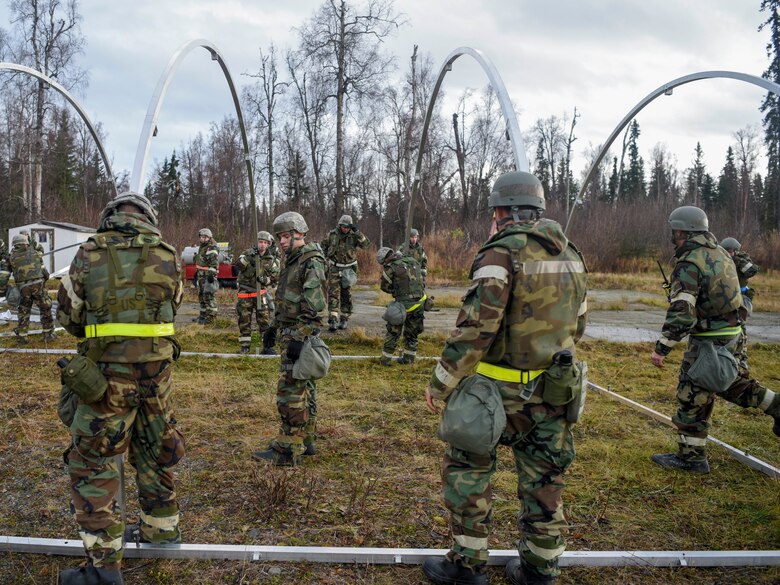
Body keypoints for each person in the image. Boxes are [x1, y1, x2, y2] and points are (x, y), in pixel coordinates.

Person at [422, 171, 588, 585]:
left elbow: (477, 329)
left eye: (494, 211)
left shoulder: (500, 253)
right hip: (553, 390)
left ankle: (467, 566)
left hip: (493, 393)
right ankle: (540, 569)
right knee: (545, 481)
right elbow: (579, 324)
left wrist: (441, 382)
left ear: (504, 211)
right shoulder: (572, 254)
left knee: (468, 472)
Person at [56, 191, 185, 585]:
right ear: (147, 217)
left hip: (106, 382)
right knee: (156, 450)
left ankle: (103, 570)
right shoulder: (168, 255)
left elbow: (68, 316)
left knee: (92, 464)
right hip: (156, 378)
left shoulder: (88, 254)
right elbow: (174, 307)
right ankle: (160, 533)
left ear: (109, 215)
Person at [650, 206, 780, 474]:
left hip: (709, 340)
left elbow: (682, 312)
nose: (673, 237)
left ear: (684, 232)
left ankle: (691, 458)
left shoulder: (690, 263)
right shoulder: (719, 252)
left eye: (675, 231)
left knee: (691, 395)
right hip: (732, 335)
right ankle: (777, 405)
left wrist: (662, 348)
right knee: (729, 384)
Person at [253, 211, 327, 466]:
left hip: (299, 337)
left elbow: (316, 309)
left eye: (286, 236)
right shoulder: (292, 261)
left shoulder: (310, 262)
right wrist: (273, 328)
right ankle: (307, 441)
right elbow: (288, 301)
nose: (282, 241)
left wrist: (298, 338)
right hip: (288, 332)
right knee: (306, 388)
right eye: (280, 237)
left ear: (300, 234)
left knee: (290, 392)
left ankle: (286, 449)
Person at [376, 246, 426, 366]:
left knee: (393, 333)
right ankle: (409, 359)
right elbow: (422, 278)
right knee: (412, 333)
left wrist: (395, 291)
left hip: (403, 306)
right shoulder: (412, 260)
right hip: (419, 302)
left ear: (385, 260)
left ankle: (385, 360)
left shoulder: (390, 268)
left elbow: (384, 287)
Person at [235, 230, 281, 354]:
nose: (262, 245)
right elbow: (238, 266)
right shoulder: (247, 254)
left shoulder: (270, 260)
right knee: (244, 320)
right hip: (245, 292)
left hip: (260, 294)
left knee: (264, 320)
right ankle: (245, 347)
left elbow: (275, 277)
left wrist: (265, 280)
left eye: (265, 242)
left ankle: (267, 347)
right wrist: (250, 256)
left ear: (268, 244)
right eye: (260, 242)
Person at [322, 214, 370, 331]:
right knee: (333, 293)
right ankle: (333, 319)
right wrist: (324, 260)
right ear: (340, 225)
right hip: (334, 267)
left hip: (348, 268)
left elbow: (366, 245)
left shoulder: (354, 236)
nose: (346, 229)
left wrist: (358, 232)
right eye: (344, 226)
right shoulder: (332, 235)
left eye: (348, 227)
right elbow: (323, 246)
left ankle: (344, 318)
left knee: (346, 294)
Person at [7, 233, 55, 344]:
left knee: (24, 311)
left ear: (14, 244)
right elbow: (44, 271)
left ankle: (22, 338)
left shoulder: (11, 257)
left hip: (23, 288)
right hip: (38, 285)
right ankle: (48, 335)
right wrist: (44, 280)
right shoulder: (35, 252)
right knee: (45, 308)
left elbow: (6, 274)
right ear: (26, 242)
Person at [720, 237, 759, 371]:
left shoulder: (741, 260)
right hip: (727, 297)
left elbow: (751, 270)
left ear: (735, 251)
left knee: (740, 328)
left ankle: (742, 361)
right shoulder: (721, 259)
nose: (727, 254)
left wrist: (737, 260)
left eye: (730, 251)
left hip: (741, 298)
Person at [193, 227, 219, 325]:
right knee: (201, 296)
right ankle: (203, 315)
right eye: (201, 237)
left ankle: (211, 318)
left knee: (209, 296)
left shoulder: (211, 247)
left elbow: (214, 263)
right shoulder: (202, 246)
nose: (203, 239)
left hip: (207, 276)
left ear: (209, 237)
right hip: (201, 275)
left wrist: (211, 275)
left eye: (205, 237)